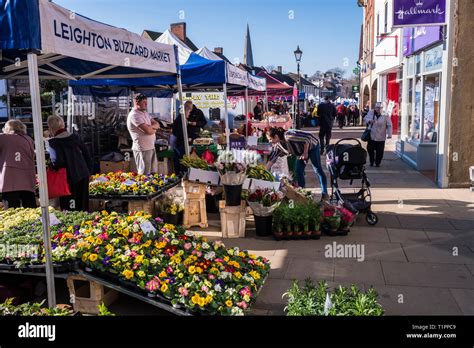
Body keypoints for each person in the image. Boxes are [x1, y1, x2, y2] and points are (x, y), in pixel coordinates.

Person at [266, 127, 329, 200]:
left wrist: (305, 153)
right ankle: (302, 194)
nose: (270, 142)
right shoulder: (278, 146)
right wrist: (264, 171)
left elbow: (306, 139)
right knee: (298, 171)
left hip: (312, 146)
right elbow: (272, 160)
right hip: (301, 151)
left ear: (276, 136)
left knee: (317, 169)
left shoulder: (289, 135)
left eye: (270, 139)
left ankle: (325, 194)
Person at [47, 115, 92, 211]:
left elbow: (57, 162)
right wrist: (89, 171)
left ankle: (72, 225)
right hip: (83, 174)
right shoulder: (76, 137)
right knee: (83, 204)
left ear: (51, 128)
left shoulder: (53, 142)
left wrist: (50, 166)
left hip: (67, 179)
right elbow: (87, 155)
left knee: (69, 207)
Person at [0, 120, 37, 209]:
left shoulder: (3, 138)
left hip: (9, 180)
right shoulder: (28, 139)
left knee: (12, 212)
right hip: (27, 179)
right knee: (30, 210)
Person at [127, 94, 160, 175]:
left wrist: (151, 127)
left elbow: (157, 124)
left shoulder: (145, 113)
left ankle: (152, 187)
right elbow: (148, 131)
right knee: (145, 174)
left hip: (150, 147)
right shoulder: (134, 115)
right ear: (136, 102)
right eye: (144, 102)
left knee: (152, 172)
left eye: (146, 102)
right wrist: (154, 129)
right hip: (142, 149)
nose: (146, 104)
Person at [364, 102, 393, 167]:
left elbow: (389, 125)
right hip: (372, 135)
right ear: (375, 108)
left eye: (380, 108)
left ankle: (378, 162)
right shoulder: (371, 112)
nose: (378, 109)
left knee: (380, 151)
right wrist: (369, 120)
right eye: (377, 107)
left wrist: (389, 134)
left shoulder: (385, 115)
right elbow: (365, 118)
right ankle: (371, 161)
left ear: (382, 108)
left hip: (381, 136)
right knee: (370, 149)